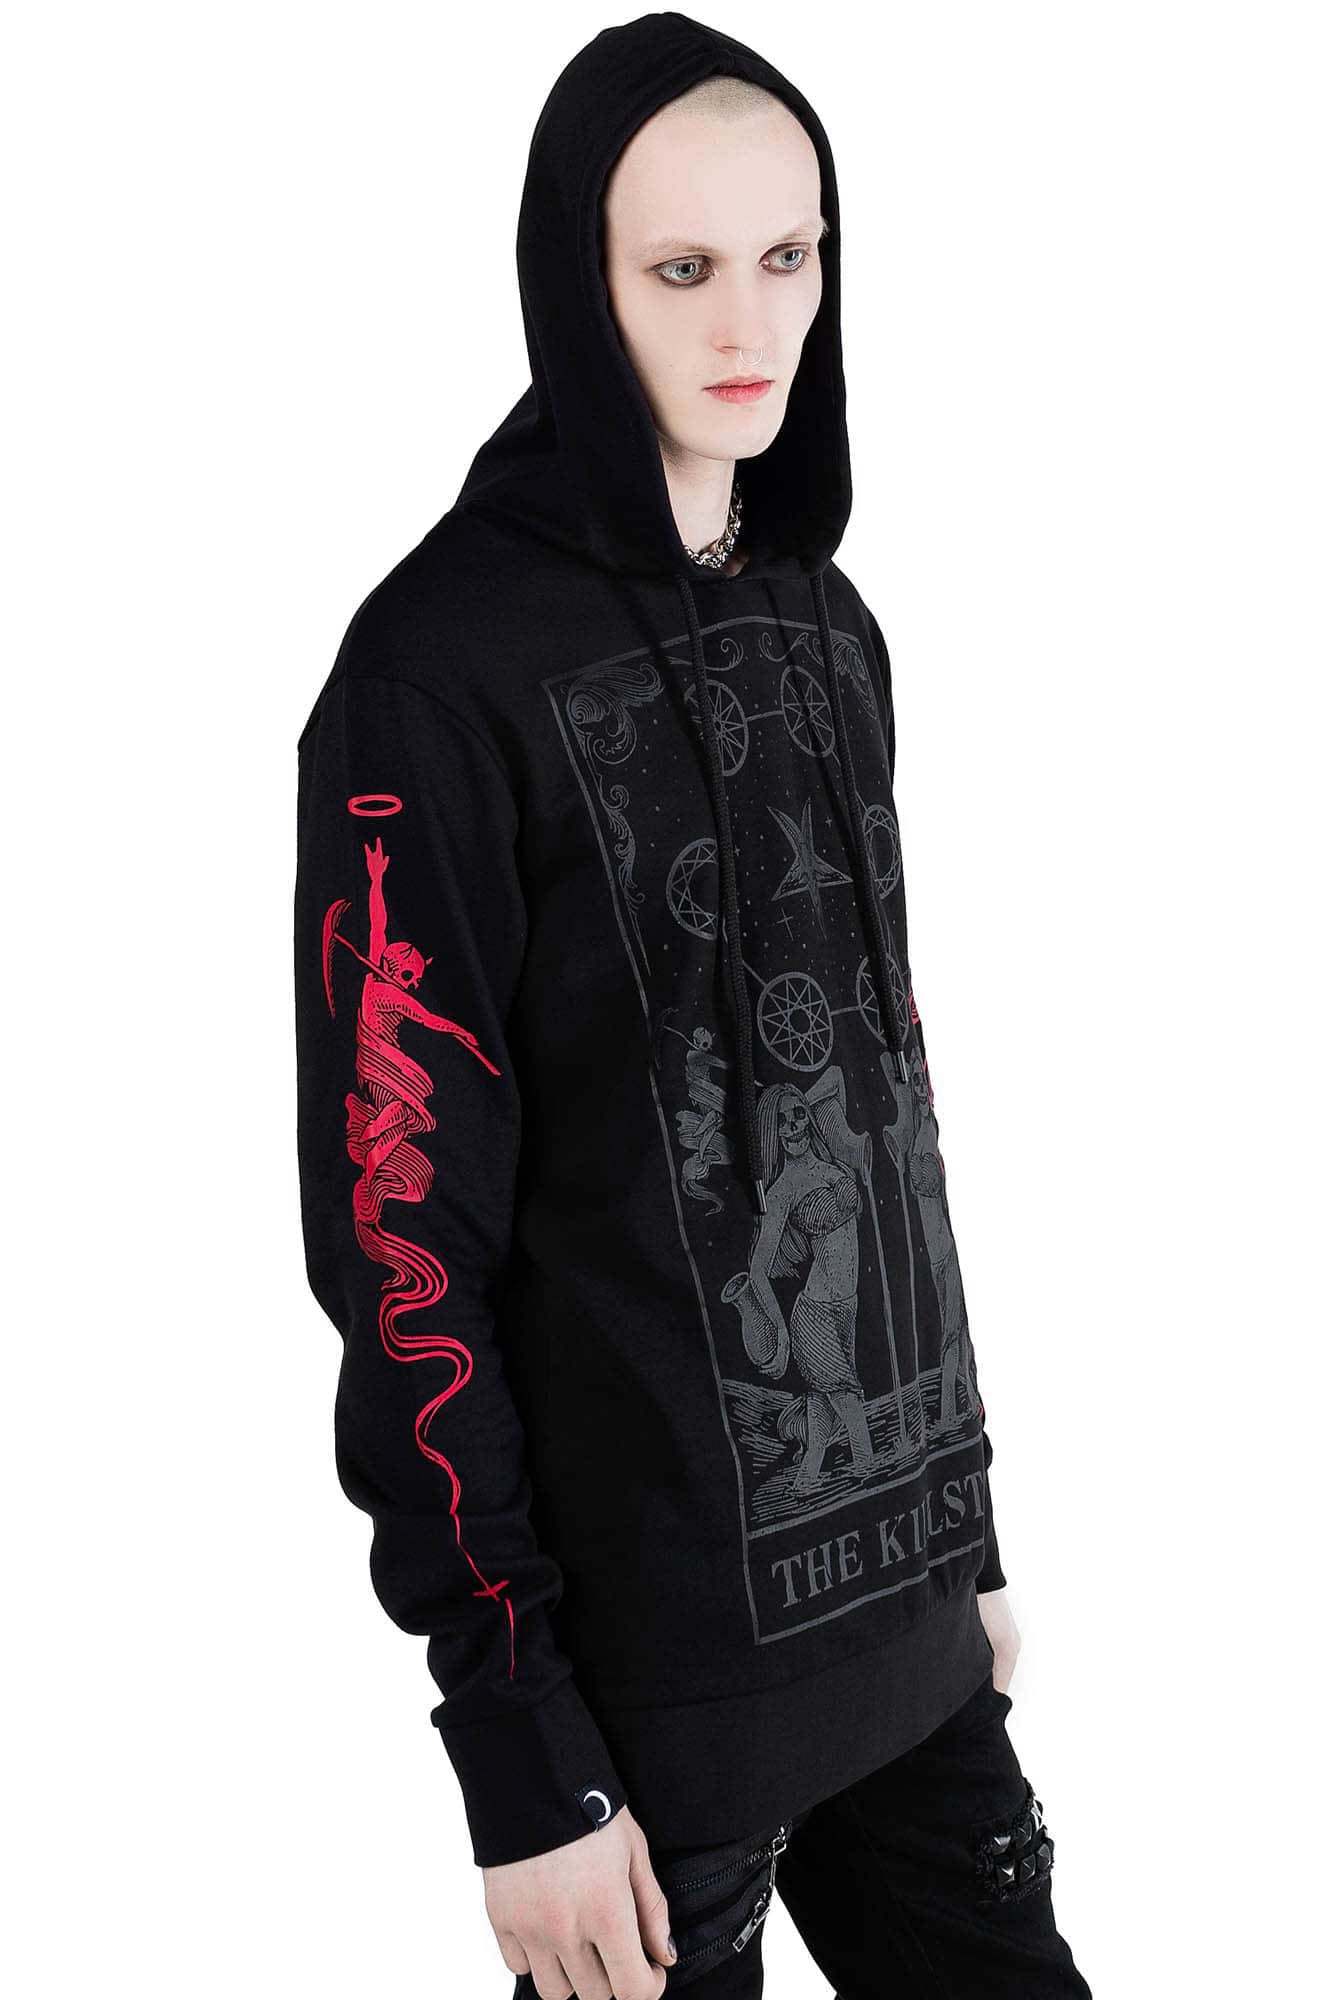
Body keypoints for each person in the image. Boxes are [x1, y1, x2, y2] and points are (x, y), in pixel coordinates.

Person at [293, 13, 1092, 1997]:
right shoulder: (433, 676)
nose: (750, 322)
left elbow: (887, 1103)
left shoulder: (828, 624)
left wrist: (965, 1540)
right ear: (578, 280)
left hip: (903, 1638)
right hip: (646, 1721)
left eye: (788, 255)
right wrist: (519, 1752)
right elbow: (400, 1235)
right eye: (679, 267)